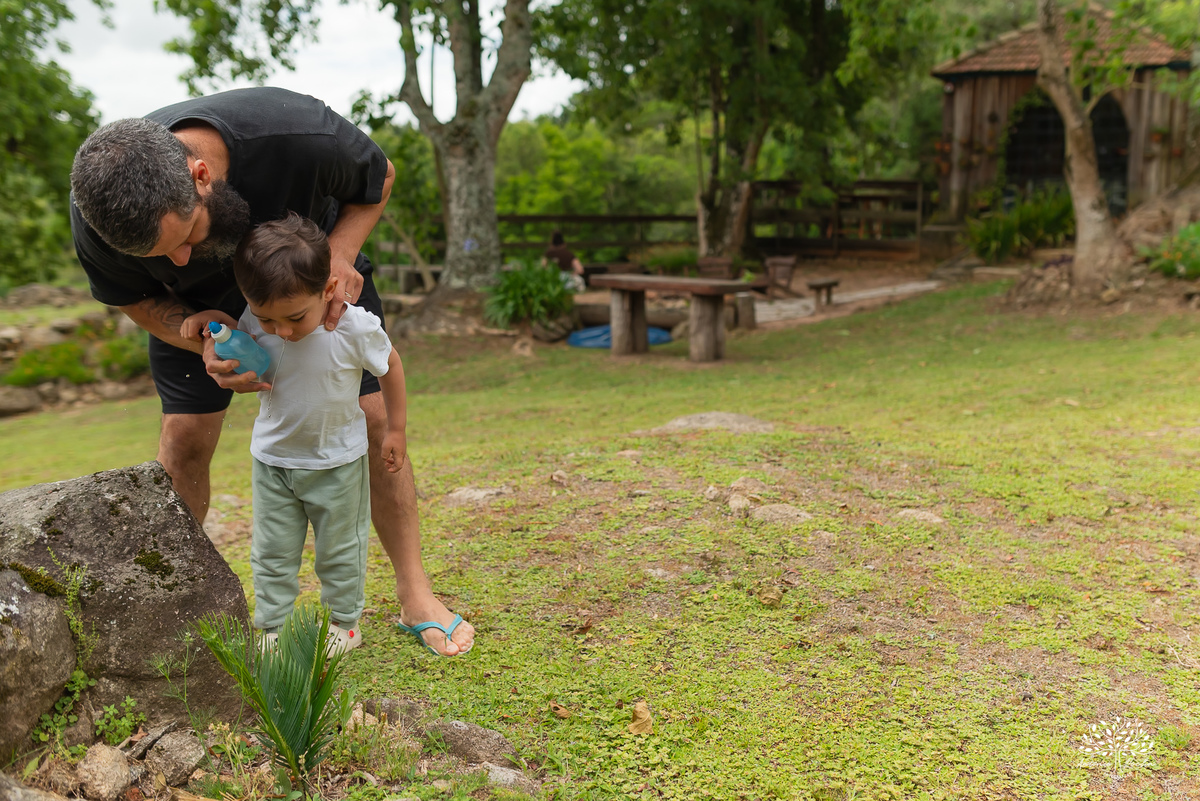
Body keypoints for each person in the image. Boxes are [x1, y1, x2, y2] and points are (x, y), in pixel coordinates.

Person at [69, 87, 473, 656]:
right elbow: (131, 296)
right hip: (199, 312)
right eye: (159, 255)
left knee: (373, 417)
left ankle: (415, 593)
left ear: (201, 174)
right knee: (182, 442)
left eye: (182, 238)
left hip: (309, 281)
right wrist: (193, 333)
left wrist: (341, 253)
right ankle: (177, 610)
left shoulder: (289, 131)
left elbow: (378, 176)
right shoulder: (100, 216)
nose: (178, 259)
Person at [181, 214, 412, 654]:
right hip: (274, 463)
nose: (280, 331)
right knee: (271, 552)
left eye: (293, 317)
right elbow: (236, 331)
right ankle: (272, 627)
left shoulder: (354, 327)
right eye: (267, 319)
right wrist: (210, 321)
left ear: (327, 291)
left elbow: (392, 365)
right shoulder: (258, 316)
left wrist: (395, 428)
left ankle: (344, 624)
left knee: (340, 551)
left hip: (338, 462)